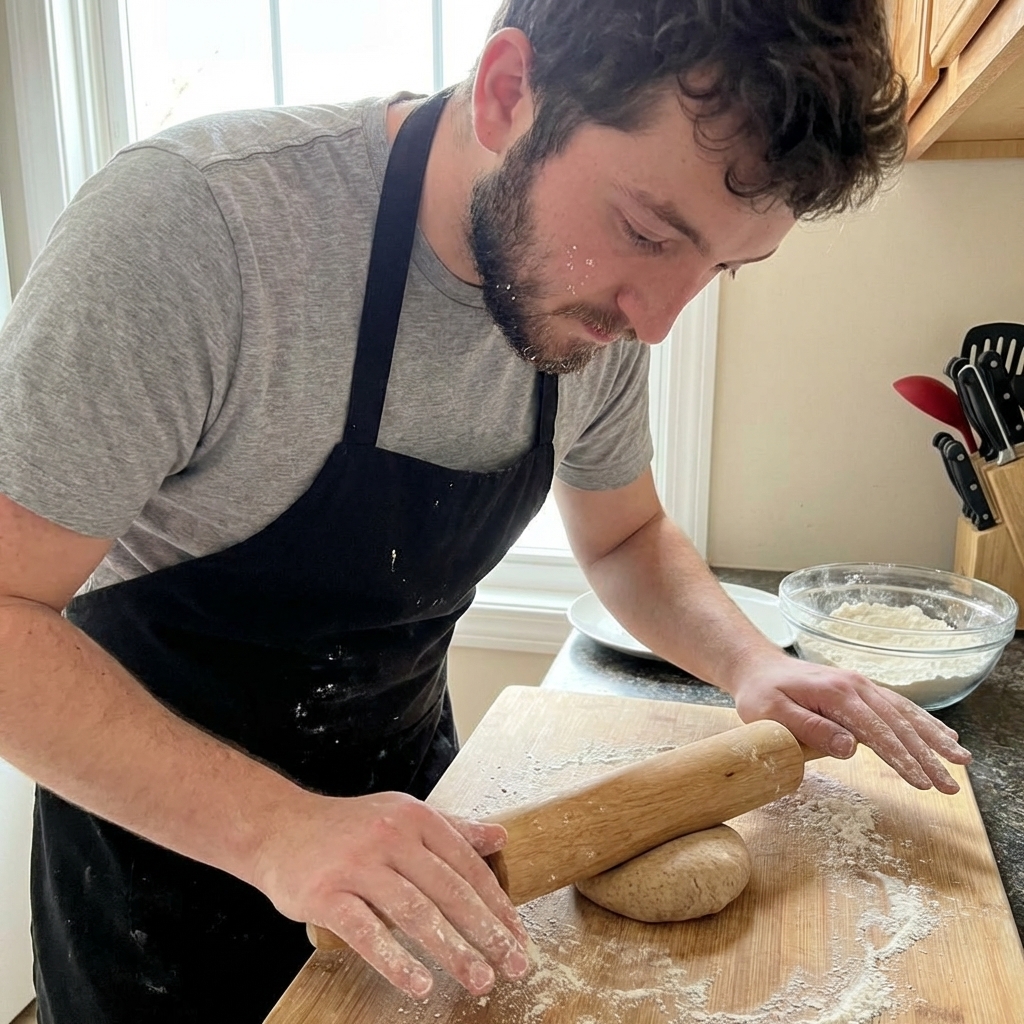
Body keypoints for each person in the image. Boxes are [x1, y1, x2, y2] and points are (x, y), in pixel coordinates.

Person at [0, 0, 970, 1020]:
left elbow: (626, 537)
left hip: (423, 842)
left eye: (720, 268)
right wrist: (279, 831)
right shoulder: (198, 232)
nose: (657, 320)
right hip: (160, 886)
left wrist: (751, 661)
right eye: (644, 230)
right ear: (509, 92)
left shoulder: (600, 308)